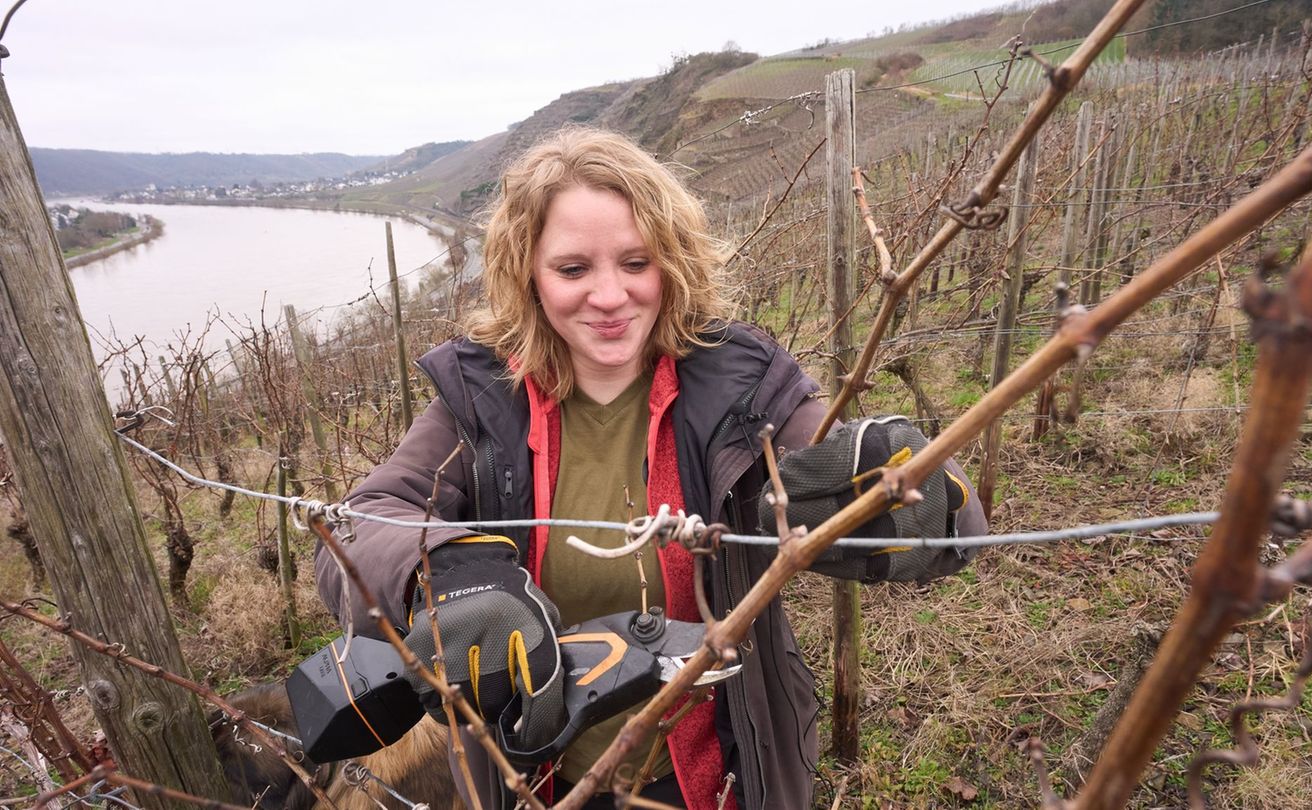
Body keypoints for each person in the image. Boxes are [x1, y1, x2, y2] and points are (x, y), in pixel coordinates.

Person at [315, 127, 988, 809]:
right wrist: (446, 572)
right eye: (573, 269)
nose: (609, 297)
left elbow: (931, 504)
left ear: (672, 261)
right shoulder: (483, 400)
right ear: (528, 275)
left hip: (724, 772)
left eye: (636, 263)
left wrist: (904, 491)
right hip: (535, 780)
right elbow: (359, 528)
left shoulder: (740, 382)